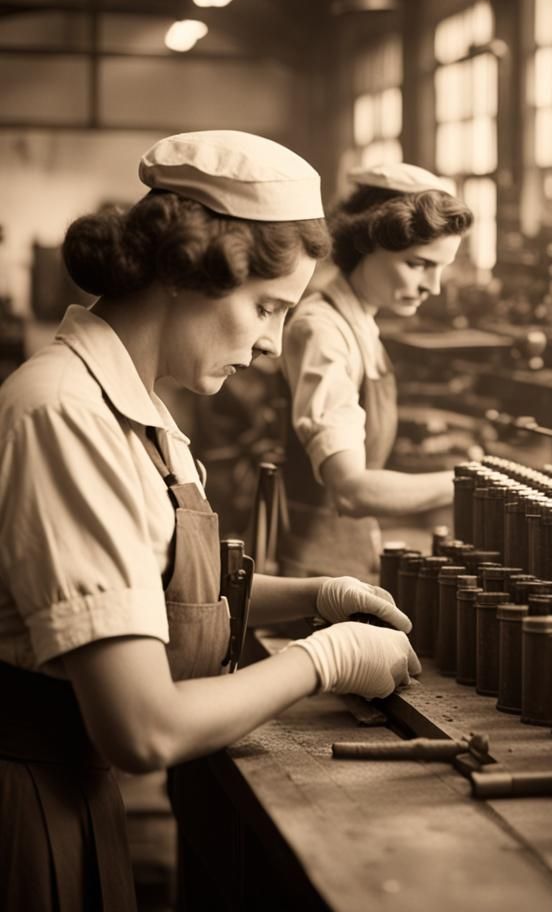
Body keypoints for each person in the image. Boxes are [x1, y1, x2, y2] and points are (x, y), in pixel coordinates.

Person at [0, 131, 420, 910]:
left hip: (76, 795)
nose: (268, 346)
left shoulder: (139, 413)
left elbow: (144, 590)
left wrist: (313, 595)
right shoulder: (64, 413)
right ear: (189, 274)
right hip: (24, 809)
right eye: (265, 309)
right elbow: (143, 728)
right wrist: (320, 662)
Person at [279, 162, 473, 579]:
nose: (433, 287)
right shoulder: (322, 329)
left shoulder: (360, 320)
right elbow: (351, 490)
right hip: (311, 567)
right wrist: (476, 481)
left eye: (441, 268)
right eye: (419, 264)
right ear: (367, 243)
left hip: (350, 553)